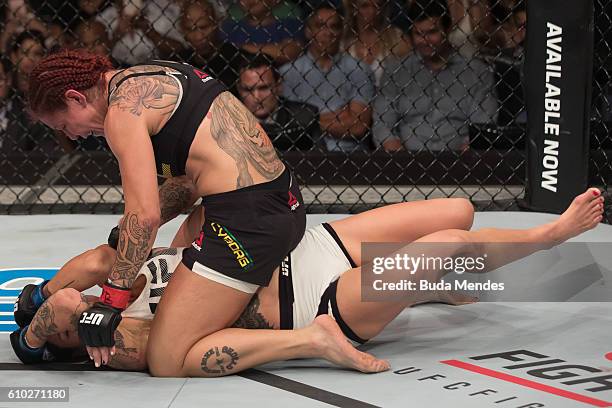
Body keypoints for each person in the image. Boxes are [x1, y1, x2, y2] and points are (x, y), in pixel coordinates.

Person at [11, 188, 605, 375]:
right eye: (73, 323)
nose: (86, 304)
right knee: (446, 248)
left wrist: (55, 294)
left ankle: (430, 283)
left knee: (458, 212)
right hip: (316, 302)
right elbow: (62, 307)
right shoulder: (127, 343)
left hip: (305, 248)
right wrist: (50, 317)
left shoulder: (118, 285)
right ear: (73, 342)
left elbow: (85, 272)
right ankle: (545, 239)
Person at [25, 48, 306, 377]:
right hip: (282, 202)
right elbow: (190, 184)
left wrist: (112, 300)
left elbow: (144, 217)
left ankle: (308, 341)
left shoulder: (121, 114)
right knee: (151, 258)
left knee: (166, 359)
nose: (71, 135)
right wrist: (127, 232)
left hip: (248, 227)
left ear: (75, 98)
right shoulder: (151, 74)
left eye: (63, 125)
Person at [373, 0, 497, 152]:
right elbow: (382, 125)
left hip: (462, 164)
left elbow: (483, 126)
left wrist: (464, 160)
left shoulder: (477, 72)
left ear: (448, 29)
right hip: (405, 163)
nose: (425, 41)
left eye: (432, 32)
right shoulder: (396, 71)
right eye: (418, 34)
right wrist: (401, 160)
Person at [280, 3, 375, 152]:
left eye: (334, 26)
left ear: (341, 31)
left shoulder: (360, 70)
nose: (328, 32)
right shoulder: (289, 73)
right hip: (305, 154)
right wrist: (341, 116)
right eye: (320, 26)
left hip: (351, 154)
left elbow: (358, 127)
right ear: (308, 32)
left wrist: (309, 120)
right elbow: (289, 127)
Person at [236, 54, 318, 150]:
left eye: (264, 88)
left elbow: (322, 160)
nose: (256, 97)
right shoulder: (227, 122)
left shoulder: (304, 117)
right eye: (248, 90)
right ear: (239, 89)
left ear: (278, 86)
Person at [342, 0, 412, 87]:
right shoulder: (343, 42)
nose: (372, 11)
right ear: (353, 8)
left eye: (377, 6)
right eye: (365, 6)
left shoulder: (398, 39)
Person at [177, 0, 245, 90]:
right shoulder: (178, 62)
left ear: (216, 24)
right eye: (190, 29)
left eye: (203, 27)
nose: (198, 36)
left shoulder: (236, 59)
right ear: (182, 29)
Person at [221, 0, 303, 63]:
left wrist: (241, 49)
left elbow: (290, 51)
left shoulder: (289, 24)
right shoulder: (230, 28)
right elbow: (224, 55)